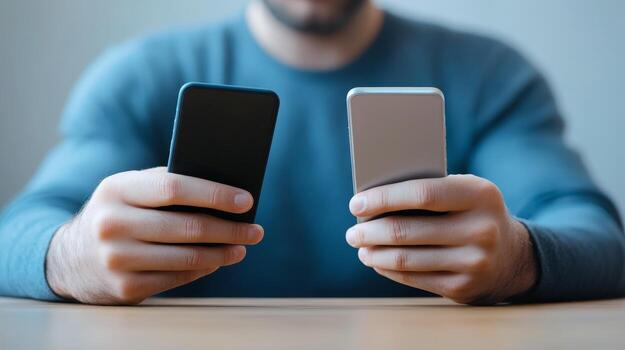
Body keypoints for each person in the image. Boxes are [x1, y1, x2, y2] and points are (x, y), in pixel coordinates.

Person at [0, 0, 623, 305]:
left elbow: (599, 237)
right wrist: (71, 255)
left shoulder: (488, 73)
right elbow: (18, 232)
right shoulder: (141, 74)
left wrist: (519, 256)